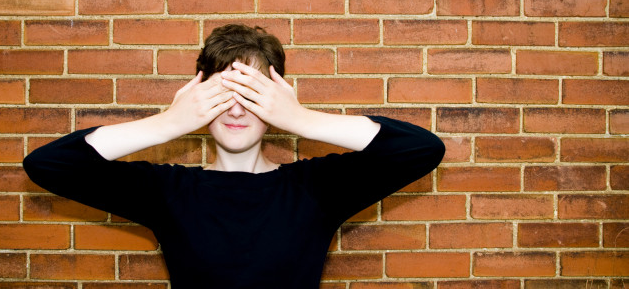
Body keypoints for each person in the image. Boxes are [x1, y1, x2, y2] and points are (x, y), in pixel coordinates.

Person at [23, 24, 446, 289]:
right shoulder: (170, 191)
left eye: (253, 96)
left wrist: (300, 119)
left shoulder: (315, 189)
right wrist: (169, 123)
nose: (238, 110)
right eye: (224, 95)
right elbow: (49, 164)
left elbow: (422, 150)